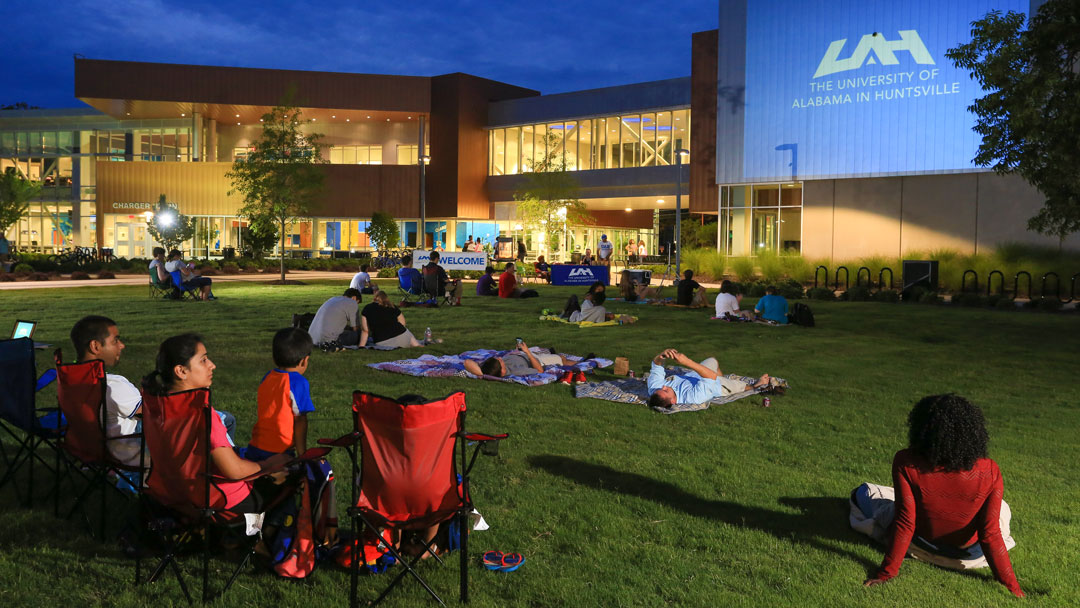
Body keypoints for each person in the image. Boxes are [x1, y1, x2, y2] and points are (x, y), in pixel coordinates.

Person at [860, 395, 1023, 598]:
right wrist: (1014, 588)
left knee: (864, 493)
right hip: (970, 555)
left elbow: (905, 523)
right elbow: (989, 534)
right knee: (1002, 510)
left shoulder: (906, 461)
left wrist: (886, 573)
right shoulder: (990, 470)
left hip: (920, 545)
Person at [141, 334, 293, 514]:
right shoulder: (200, 413)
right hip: (217, 500)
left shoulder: (155, 405)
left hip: (173, 495)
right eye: (203, 360)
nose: (212, 365)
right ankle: (273, 538)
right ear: (181, 371)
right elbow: (234, 471)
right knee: (294, 474)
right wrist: (268, 465)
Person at [69, 315, 144, 469]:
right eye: (115, 340)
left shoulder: (70, 380)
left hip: (92, 451)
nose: (121, 345)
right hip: (131, 455)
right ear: (95, 346)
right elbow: (155, 415)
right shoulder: (111, 385)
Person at [245, 328, 316, 462]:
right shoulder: (298, 382)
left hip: (256, 446)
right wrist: (302, 455)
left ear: (274, 357)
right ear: (304, 361)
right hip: (280, 450)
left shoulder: (268, 377)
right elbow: (300, 419)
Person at [646, 349, 771, 408]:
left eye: (662, 388)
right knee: (741, 387)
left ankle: (717, 375)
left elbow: (656, 366)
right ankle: (756, 385)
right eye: (666, 390)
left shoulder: (655, 389)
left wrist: (662, 355)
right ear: (673, 401)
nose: (664, 386)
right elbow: (712, 377)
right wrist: (686, 361)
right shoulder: (693, 397)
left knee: (712, 360)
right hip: (718, 385)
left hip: (696, 375)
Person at [463, 339, 581, 379]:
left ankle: (549, 351)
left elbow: (467, 362)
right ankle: (583, 362)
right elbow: (539, 370)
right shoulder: (516, 371)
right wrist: (528, 353)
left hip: (521, 354)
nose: (500, 358)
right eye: (500, 361)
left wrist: (482, 374)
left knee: (541, 350)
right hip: (536, 359)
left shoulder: (488, 367)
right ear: (503, 371)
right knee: (562, 358)